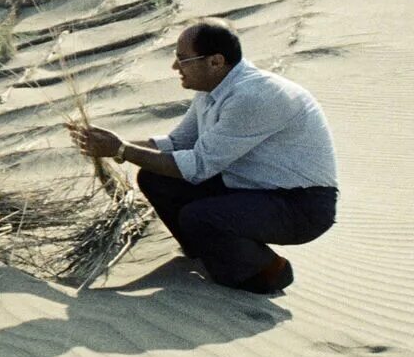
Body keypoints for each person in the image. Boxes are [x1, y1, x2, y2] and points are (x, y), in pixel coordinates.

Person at [66, 17, 337, 295]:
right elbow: (175, 143)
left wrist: (120, 150)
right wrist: (106, 143)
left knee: (200, 217)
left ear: (215, 62)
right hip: (252, 189)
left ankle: (269, 272)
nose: (175, 67)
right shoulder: (214, 91)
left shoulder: (252, 96)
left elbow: (197, 167)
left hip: (301, 206)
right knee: (155, 177)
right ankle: (209, 253)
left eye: (183, 59)